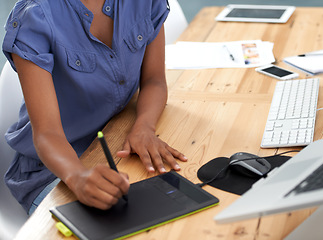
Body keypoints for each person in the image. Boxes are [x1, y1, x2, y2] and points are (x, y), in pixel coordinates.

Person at [2, 0, 187, 214]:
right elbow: (47, 134)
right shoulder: (34, 16)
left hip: (116, 142)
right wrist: (78, 177)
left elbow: (154, 81)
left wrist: (144, 127)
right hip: (54, 171)